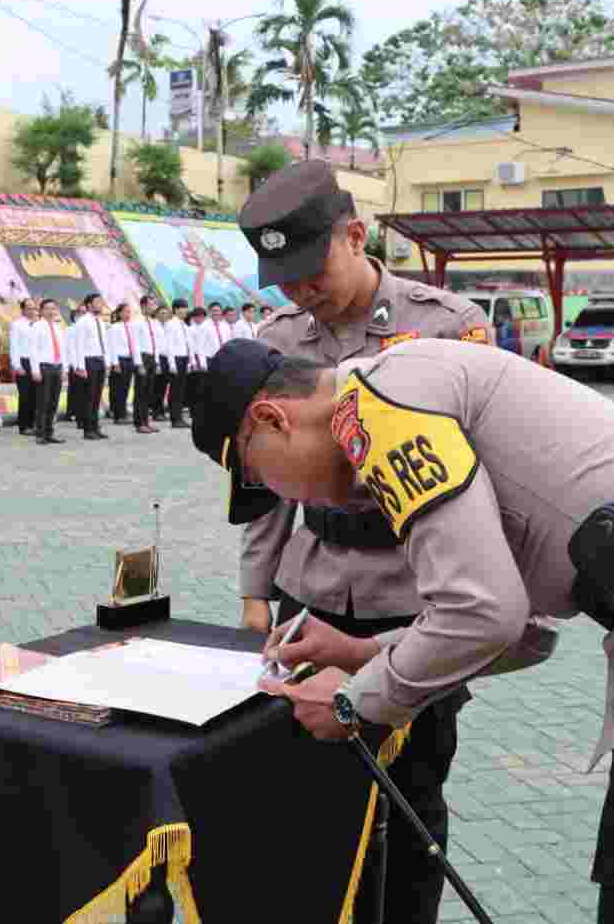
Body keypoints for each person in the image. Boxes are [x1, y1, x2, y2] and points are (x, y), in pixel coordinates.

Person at [195, 334, 614, 924]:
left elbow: (483, 614)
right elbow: (522, 631)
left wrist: (353, 703)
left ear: (272, 419)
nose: (289, 500)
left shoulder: (374, 405)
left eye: (260, 476)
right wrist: (365, 651)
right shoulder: (406, 380)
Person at [233, 159, 496, 924]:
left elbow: (489, 476)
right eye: (282, 279)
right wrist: (253, 590)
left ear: (355, 235)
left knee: (411, 791)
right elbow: (265, 481)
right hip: (310, 587)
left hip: (416, 595)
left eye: (309, 272)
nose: (298, 292)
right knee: (308, 781)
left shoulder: (448, 324)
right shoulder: (276, 339)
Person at [69, 293, 110, 440]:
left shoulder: (100, 321)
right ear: (89, 305)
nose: (100, 304)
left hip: (100, 360)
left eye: (101, 302)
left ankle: (95, 426)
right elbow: (78, 345)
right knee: (89, 397)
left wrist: (107, 362)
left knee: (97, 397)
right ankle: (88, 429)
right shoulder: (83, 322)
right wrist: (80, 366)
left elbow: (104, 343)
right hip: (88, 361)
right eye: (97, 302)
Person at [29, 298, 68, 445]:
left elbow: (63, 349)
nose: (51, 311)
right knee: (43, 402)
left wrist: (64, 368)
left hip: (57, 367)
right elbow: (33, 349)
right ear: (41, 311)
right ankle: (40, 434)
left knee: (53, 402)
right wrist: (35, 370)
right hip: (44, 368)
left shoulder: (58, 327)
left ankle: (50, 432)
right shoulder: (37, 326)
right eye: (47, 308)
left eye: (53, 308)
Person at [131, 295, 160, 434]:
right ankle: (139, 423)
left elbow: (156, 343)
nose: (154, 307)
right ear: (143, 306)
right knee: (140, 392)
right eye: (151, 304)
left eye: (154, 304)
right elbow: (135, 344)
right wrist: (139, 364)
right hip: (142, 358)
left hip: (152, 357)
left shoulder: (154, 322)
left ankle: (146, 421)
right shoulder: (137, 322)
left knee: (148, 392)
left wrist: (157, 361)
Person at [162, 300, 191, 428]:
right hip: (176, 359)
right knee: (175, 390)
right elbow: (169, 345)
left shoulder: (184, 325)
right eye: (183, 308)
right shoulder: (170, 324)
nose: (185, 311)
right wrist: (172, 363)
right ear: (175, 309)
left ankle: (179, 417)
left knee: (181, 390)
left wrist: (190, 361)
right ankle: (175, 419)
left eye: (186, 308)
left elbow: (188, 345)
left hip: (184, 359)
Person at [10, 299, 36, 437]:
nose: (32, 311)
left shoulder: (38, 324)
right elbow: (14, 346)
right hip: (23, 362)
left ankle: (33, 424)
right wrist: (17, 365)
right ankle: (24, 425)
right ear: (23, 310)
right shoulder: (17, 325)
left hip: (36, 362)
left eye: (34, 308)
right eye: (29, 308)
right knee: (25, 395)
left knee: (35, 395)